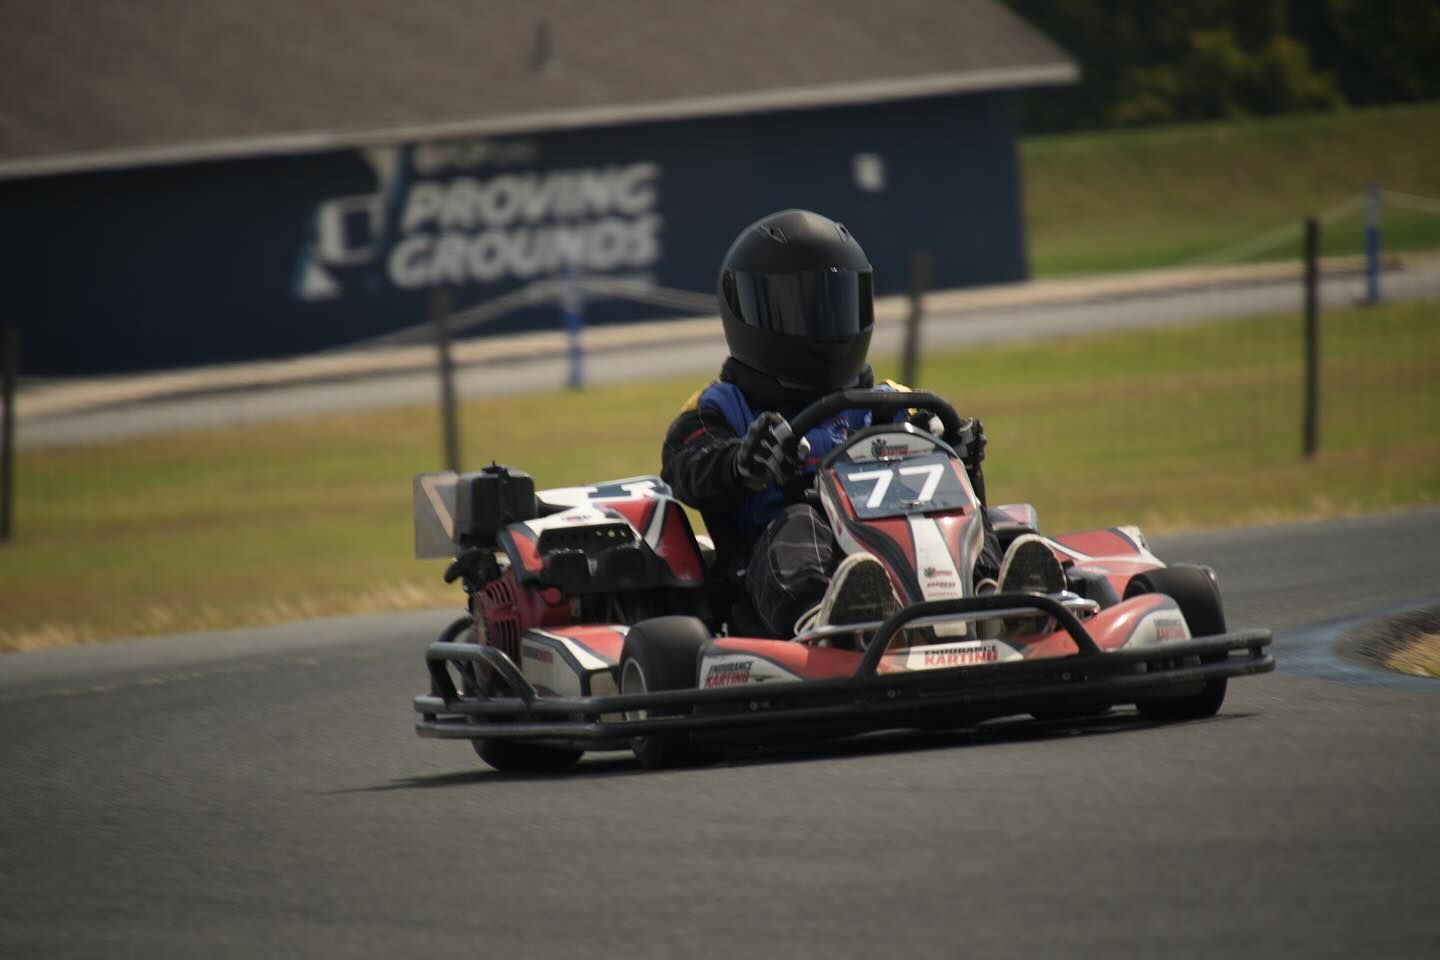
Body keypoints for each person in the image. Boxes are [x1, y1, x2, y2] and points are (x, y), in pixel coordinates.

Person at [660, 209, 1060, 639]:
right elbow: (686, 465)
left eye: (835, 304)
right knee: (801, 521)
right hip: (772, 573)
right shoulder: (722, 406)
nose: (823, 326)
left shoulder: (891, 401)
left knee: (964, 515)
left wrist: (956, 451)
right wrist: (740, 461)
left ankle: (992, 596)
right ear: (749, 312)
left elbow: (943, 475)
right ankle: (827, 619)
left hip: (903, 549)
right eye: (801, 309)